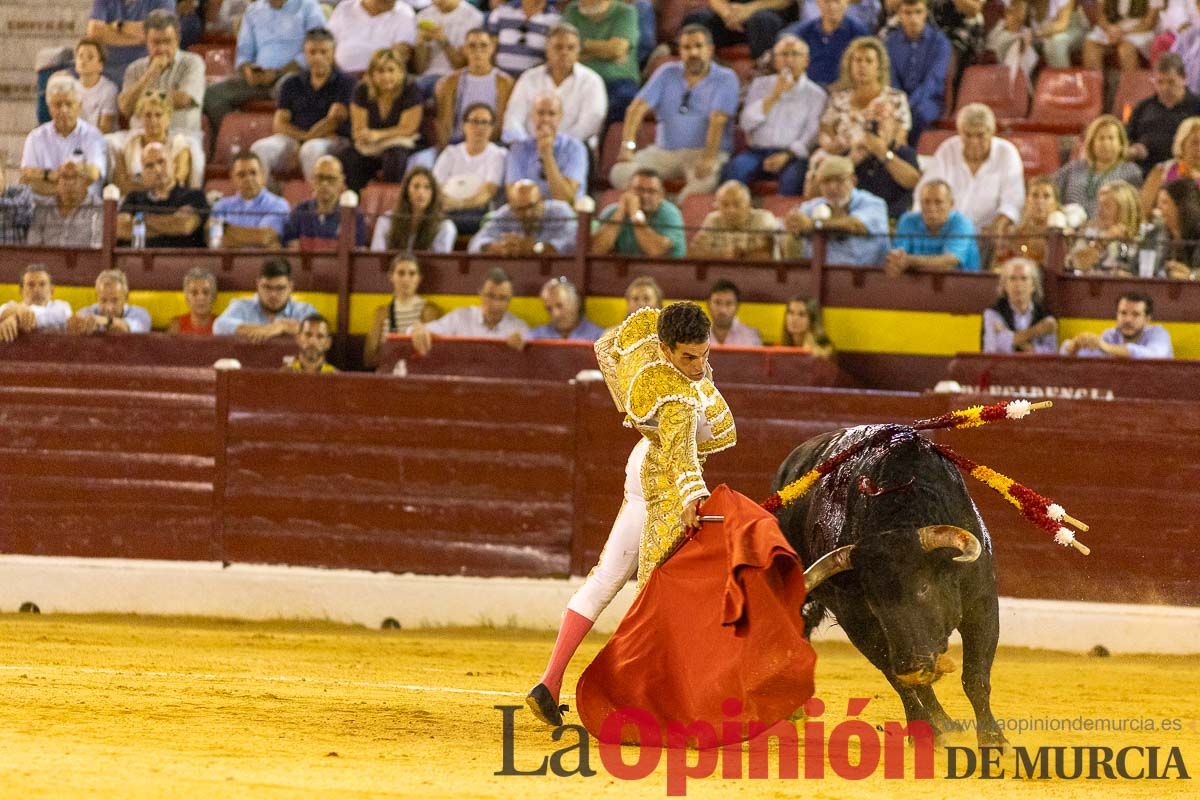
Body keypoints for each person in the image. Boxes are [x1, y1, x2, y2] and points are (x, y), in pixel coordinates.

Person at [526, 302, 736, 727]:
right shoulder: (675, 395)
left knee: (607, 578)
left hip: (643, 465)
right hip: (665, 481)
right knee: (658, 595)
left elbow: (607, 348)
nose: (697, 367)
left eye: (704, 355)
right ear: (665, 349)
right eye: (687, 357)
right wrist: (693, 497)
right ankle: (643, 697)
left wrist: (635, 412)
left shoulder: (652, 364)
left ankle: (548, 682)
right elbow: (681, 455)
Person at [609, 25, 740, 202]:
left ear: (710, 50)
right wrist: (627, 147)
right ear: (680, 51)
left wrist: (709, 158)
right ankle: (656, 204)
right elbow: (636, 109)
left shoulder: (726, 77)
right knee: (620, 173)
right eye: (687, 47)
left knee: (702, 186)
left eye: (698, 46)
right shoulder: (666, 72)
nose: (693, 52)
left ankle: (672, 214)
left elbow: (717, 121)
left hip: (705, 152)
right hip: (664, 152)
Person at [806, 36, 917, 212]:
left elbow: (900, 136)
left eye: (868, 61)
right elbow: (825, 130)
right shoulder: (838, 98)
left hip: (880, 154)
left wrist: (876, 148)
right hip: (845, 155)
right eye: (857, 60)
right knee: (821, 163)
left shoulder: (895, 99)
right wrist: (832, 146)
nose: (862, 65)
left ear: (879, 67)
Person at [203, 0, 326, 138]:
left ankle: (289, 140)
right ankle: (234, 140)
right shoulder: (253, 11)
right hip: (258, 78)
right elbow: (244, 51)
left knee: (288, 86)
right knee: (212, 94)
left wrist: (278, 73)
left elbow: (318, 50)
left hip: (293, 76)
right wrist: (247, 70)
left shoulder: (309, 7)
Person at [250, 28, 357, 184]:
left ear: (333, 53)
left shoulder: (346, 83)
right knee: (259, 149)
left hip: (333, 140)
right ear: (305, 54)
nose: (318, 57)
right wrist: (303, 139)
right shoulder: (291, 82)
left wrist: (306, 141)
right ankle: (267, 199)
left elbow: (332, 121)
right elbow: (279, 124)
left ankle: (315, 203)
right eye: (312, 52)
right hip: (296, 138)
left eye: (323, 52)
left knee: (311, 150)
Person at [725, 35, 827, 196]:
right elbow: (746, 123)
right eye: (784, 55)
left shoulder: (816, 94)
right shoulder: (760, 85)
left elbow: (811, 135)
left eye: (795, 54)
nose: (789, 60)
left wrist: (786, 155)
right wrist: (773, 96)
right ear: (775, 60)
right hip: (757, 151)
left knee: (793, 179)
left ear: (806, 61)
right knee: (734, 171)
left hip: (792, 155)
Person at [917, 103, 1025, 239]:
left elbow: (1013, 202)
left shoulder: (1007, 153)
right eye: (967, 135)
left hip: (987, 236)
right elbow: (926, 190)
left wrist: (996, 226)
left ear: (992, 132)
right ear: (959, 132)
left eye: (980, 135)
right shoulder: (947, 149)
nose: (974, 142)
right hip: (944, 233)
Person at [501, 22, 608, 146]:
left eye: (570, 48)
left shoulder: (592, 81)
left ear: (578, 50)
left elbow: (590, 125)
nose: (564, 52)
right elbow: (513, 119)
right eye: (558, 47)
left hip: (572, 151)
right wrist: (527, 146)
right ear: (547, 49)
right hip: (528, 149)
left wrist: (554, 145)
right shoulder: (529, 78)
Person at [336, 48, 423, 191]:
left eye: (391, 70)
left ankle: (389, 202)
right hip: (370, 146)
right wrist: (363, 135)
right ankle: (354, 202)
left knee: (394, 158)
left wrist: (378, 135)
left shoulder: (411, 89)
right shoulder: (362, 90)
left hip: (400, 142)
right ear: (371, 74)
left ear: (400, 72)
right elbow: (358, 128)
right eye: (380, 71)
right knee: (349, 157)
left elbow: (408, 128)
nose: (386, 76)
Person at [783, 155, 890, 265]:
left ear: (853, 180)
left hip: (866, 278)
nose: (832, 187)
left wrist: (814, 225)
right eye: (826, 181)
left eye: (839, 180)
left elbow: (855, 225)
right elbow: (795, 224)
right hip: (816, 277)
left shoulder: (874, 204)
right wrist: (793, 222)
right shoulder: (810, 207)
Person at [115, 10, 205, 140]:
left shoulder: (193, 63)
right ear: (146, 42)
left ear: (178, 40)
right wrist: (150, 73)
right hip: (141, 137)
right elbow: (125, 107)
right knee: (110, 143)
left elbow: (183, 99)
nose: (162, 48)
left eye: (167, 42)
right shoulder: (134, 69)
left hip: (181, 136)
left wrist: (142, 101)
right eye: (156, 42)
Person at [408, 266, 531, 354]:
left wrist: (522, 348)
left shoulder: (518, 327)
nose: (496, 304)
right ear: (480, 293)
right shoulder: (460, 317)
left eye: (503, 298)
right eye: (490, 296)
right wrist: (419, 329)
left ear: (510, 299)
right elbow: (414, 331)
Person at [21, 74, 106, 196]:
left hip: (84, 209)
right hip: (44, 209)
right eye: (58, 105)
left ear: (79, 106)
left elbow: (93, 174)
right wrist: (67, 177)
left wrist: (44, 176)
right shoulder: (35, 138)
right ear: (49, 108)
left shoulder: (93, 136)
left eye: (69, 104)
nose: (64, 110)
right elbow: (27, 179)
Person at [433, 28, 514, 150]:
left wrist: (479, 146)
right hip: (458, 142)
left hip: (491, 143)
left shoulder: (504, 82)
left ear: (492, 48)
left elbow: (500, 124)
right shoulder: (451, 81)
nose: (478, 50)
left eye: (483, 45)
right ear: (464, 49)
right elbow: (445, 123)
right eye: (472, 46)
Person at [433, 102, 507, 236]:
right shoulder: (450, 153)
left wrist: (458, 204)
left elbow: (488, 193)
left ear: (492, 127)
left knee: (445, 225)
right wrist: (445, 203)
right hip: (445, 208)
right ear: (464, 125)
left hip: (476, 211)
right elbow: (435, 187)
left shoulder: (498, 155)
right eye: (474, 121)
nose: (479, 127)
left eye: (485, 122)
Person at [562, 0, 640, 124]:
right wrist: (606, 51)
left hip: (616, 81)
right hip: (579, 77)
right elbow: (564, 48)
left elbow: (617, 49)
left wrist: (582, 47)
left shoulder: (625, 12)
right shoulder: (573, 10)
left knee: (625, 100)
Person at [117, 141, 208, 247]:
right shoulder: (133, 198)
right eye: (149, 166)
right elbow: (121, 229)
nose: (157, 170)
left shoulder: (194, 195)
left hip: (181, 261)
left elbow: (184, 226)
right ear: (143, 174)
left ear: (173, 165)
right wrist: (170, 225)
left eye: (161, 162)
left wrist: (140, 220)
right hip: (138, 261)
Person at [885, 0, 951, 144]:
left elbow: (933, 80)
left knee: (919, 114)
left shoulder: (940, 43)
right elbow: (891, 78)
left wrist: (909, 104)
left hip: (929, 100)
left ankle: (909, 155)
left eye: (918, 12)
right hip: (897, 99)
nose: (913, 18)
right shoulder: (890, 42)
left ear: (925, 13)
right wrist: (900, 102)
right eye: (907, 13)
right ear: (899, 14)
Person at [1053, 115, 1143, 219]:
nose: (1105, 143)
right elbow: (1051, 192)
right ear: (1092, 143)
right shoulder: (1073, 168)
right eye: (1101, 138)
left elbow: (1134, 210)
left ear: (1121, 144)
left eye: (1111, 138)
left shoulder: (1131, 172)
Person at [503, 93, 588, 201]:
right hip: (528, 209)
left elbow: (566, 198)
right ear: (532, 116)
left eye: (552, 114)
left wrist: (547, 155)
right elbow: (513, 195)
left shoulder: (575, 148)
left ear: (560, 117)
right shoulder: (519, 148)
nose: (545, 119)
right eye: (540, 113)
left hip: (562, 213)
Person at [1126, 53, 1200, 176]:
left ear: (1184, 79)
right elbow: (1128, 137)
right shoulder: (1143, 107)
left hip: (1184, 170)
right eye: (1160, 82)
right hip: (1143, 169)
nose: (1165, 88)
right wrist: (1134, 150)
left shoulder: (1196, 105)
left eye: (1171, 82)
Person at [886, 179, 981, 274]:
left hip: (962, 284)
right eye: (926, 202)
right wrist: (897, 259)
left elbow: (949, 263)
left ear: (951, 204)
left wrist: (908, 261)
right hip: (916, 284)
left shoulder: (962, 223)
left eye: (938, 202)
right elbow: (897, 257)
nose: (931, 207)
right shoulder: (907, 220)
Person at [213, 257, 320, 340]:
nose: (273, 294)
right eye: (267, 287)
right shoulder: (241, 306)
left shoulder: (304, 309)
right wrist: (263, 329)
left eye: (280, 288)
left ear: (291, 287)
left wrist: (283, 326)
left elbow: (318, 330)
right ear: (257, 284)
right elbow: (219, 326)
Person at [363, 255, 442, 367]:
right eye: (401, 273)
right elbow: (369, 358)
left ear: (419, 278)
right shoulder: (381, 313)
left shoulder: (429, 310)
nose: (406, 279)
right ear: (391, 276)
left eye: (412, 273)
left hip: (417, 373)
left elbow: (434, 354)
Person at [591, 167, 686, 257]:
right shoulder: (612, 212)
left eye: (651, 191)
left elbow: (656, 251)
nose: (644, 196)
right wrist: (620, 212)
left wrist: (635, 215)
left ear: (661, 195)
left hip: (666, 272)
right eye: (639, 190)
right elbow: (595, 250)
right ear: (628, 191)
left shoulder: (671, 214)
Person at [113, 90, 194, 194]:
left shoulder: (178, 144)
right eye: (147, 115)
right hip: (134, 202)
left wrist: (141, 187)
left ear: (168, 119)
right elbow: (120, 183)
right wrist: (154, 188)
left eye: (158, 115)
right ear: (141, 118)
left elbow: (178, 180)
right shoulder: (130, 143)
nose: (153, 120)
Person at [468, 179, 578, 254]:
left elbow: (573, 242)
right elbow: (475, 243)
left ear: (541, 201)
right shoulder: (506, 213)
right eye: (520, 209)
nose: (527, 213)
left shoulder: (560, 211)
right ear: (512, 207)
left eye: (531, 206)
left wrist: (535, 248)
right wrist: (497, 247)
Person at [282, 155, 369, 250]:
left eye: (331, 179)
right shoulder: (300, 211)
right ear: (312, 180)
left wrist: (305, 244)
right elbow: (289, 245)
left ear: (341, 181)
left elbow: (357, 250)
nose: (324, 184)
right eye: (320, 178)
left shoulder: (353, 214)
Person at [211, 151, 292, 248]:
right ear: (232, 179)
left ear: (263, 176)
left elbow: (263, 238)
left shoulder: (278, 204)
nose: (248, 179)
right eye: (241, 175)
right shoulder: (221, 205)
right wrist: (252, 237)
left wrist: (225, 229)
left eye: (253, 173)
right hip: (229, 262)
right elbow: (214, 243)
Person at [688, 180, 781, 260]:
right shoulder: (712, 219)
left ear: (749, 205)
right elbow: (694, 252)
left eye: (737, 204)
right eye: (725, 205)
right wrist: (722, 256)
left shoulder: (763, 218)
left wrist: (741, 256)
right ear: (717, 206)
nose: (731, 210)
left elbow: (768, 254)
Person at [86, 0, 174, 85]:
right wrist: (141, 39)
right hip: (106, 68)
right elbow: (94, 32)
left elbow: (160, 30)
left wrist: (119, 25)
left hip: (142, 68)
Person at [1060, 292, 1173, 358]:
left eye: (1136, 314)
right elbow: (1085, 356)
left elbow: (1154, 356)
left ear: (1147, 319)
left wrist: (1106, 347)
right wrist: (1075, 346)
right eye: (1123, 313)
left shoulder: (1159, 334)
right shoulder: (1111, 336)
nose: (1128, 320)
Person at [371, 166, 458, 252]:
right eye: (416, 186)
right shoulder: (387, 220)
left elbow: (441, 263)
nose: (421, 192)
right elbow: (377, 259)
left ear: (433, 194)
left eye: (427, 187)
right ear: (406, 191)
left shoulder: (444, 227)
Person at [981, 257, 1057, 354]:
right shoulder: (992, 314)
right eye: (1012, 278)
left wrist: (1007, 335)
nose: (1018, 284)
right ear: (1005, 286)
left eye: (1024, 278)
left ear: (1033, 285)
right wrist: (1036, 331)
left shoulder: (1045, 316)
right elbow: (991, 350)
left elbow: (1051, 354)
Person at [785, 0, 870, 86]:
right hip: (810, 90)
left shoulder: (858, 32)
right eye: (827, 2)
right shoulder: (805, 30)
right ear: (818, 3)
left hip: (845, 90)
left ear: (847, 2)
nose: (832, 6)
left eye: (837, 2)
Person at [411, 0, 485, 97]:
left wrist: (443, 41)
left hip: (456, 77)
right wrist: (421, 45)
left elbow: (461, 66)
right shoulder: (423, 15)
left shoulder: (473, 17)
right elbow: (420, 69)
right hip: (426, 77)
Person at [1065, 180, 1142, 274]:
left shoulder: (1141, 239)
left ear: (1123, 210)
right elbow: (1074, 265)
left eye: (1107, 206)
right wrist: (1102, 241)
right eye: (1099, 205)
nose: (1100, 211)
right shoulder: (1089, 234)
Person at [681, 0, 796, 61]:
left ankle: (763, 73)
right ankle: (703, 66)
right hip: (733, 20)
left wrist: (748, 10)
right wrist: (727, 14)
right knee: (696, 19)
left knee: (761, 20)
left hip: (768, 17)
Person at [987, 0, 1083, 72]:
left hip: (1068, 29)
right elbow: (1012, 27)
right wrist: (1020, 11)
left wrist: (1035, 34)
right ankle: (1014, 90)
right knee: (1004, 41)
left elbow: (1062, 25)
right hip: (1035, 34)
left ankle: (1064, 89)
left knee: (1054, 44)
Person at [327, 0, 417, 75]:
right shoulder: (344, 7)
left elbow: (398, 58)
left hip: (378, 83)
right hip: (338, 79)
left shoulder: (405, 13)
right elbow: (328, 46)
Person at [26, 165, 103, 248]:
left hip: (84, 260)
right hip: (47, 259)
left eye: (74, 177)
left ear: (86, 183)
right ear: (57, 183)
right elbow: (33, 247)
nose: (69, 183)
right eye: (64, 177)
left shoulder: (98, 208)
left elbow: (98, 247)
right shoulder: (44, 208)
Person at [1139, 115, 1200, 214]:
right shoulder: (1162, 170)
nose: (1199, 149)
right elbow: (1143, 208)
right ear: (1182, 143)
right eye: (1194, 142)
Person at [487, 0, 562, 76]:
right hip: (500, 81)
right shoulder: (500, 13)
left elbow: (552, 59)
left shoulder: (557, 20)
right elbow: (488, 52)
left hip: (534, 81)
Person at [995, 175, 1059, 264]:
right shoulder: (1012, 235)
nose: (1040, 201)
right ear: (1026, 201)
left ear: (1055, 203)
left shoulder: (1063, 236)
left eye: (1046, 196)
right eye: (1035, 195)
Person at [66, 269, 152, 334]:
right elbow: (76, 322)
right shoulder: (87, 312)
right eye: (103, 300)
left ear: (126, 298)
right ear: (97, 298)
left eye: (115, 300)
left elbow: (124, 328)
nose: (109, 308)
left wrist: (102, 321)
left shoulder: (141, 314)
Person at [0, 265, 73, 342]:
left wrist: (16, 319)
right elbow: (3, 312)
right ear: (21, 290)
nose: (37, 290)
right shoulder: (11, 306)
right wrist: (15, 314)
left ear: (52, 290)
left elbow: (61, 320)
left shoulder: (61, 306)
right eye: (31, 285)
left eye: (42, 284)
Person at [1083, 0, 1160, 71]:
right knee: (1091, 45)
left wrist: (1123, 32)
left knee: (1125, 48)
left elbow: (1149, 23)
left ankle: (1131, 85)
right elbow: (1100, 16)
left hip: (1138, 31)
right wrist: (1108, 28)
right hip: (1111, 29)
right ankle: (1095, 84)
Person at [528, 277, 604, 340]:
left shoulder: (599, 338)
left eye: (559, 306)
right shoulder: (537, 337)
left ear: (576, 303)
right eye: (549, 309)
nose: (555, 314)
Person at [1155, 176, 1200, 279]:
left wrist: (1191, 276)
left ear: (1181, 207)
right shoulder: (1157, 233)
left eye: (1165, 202)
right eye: (1158, 203)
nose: (1158, 208)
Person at [73, 38, 119, 133]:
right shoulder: (70, 88)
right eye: (80, 56)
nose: (83, 61)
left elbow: (105, 128)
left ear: (100, 65)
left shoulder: (109, 89)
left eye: (90, 57)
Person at [707, 279, 763, 346]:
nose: (722, 310)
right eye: (717, 303)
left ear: (737, 306)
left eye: (729, 303)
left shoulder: (751, 336)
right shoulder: (696, 337)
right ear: (708, 304)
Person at [167, 267, 218, 334]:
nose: (201, 298)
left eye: (206, 292)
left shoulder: (223, 325)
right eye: (194, 293)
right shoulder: (176, 325)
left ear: (214, 297)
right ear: (186, 298)